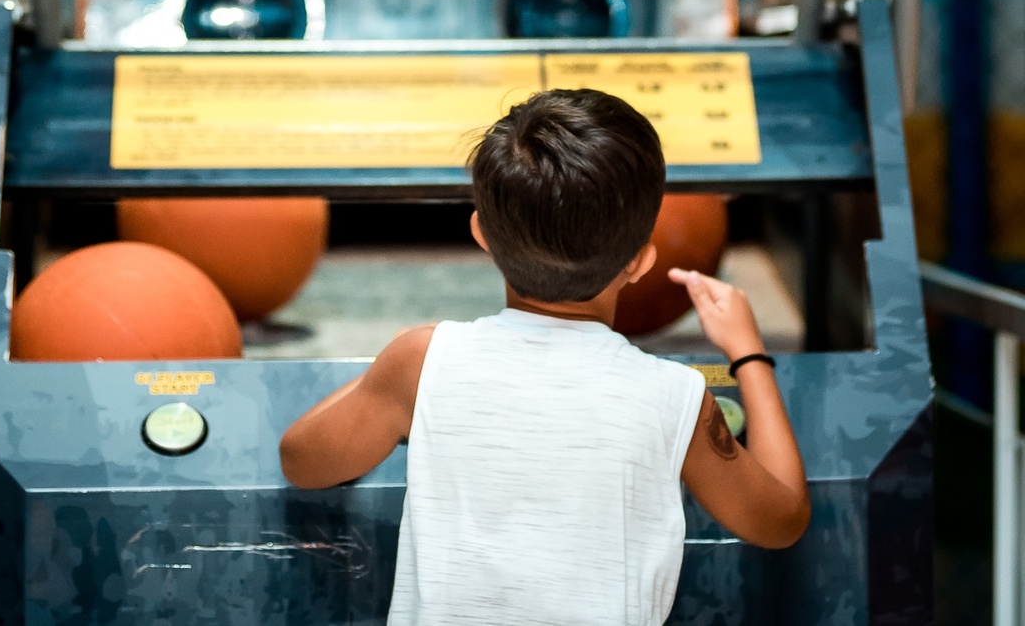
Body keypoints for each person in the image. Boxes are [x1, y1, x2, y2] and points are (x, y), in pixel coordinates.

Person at [280, 87, 810, 626]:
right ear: (641, 260)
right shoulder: (675, 397)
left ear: (481, 234)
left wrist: (401, 369)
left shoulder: (423, 360)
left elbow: (301, 461)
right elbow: (781, 518)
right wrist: (748, 354)